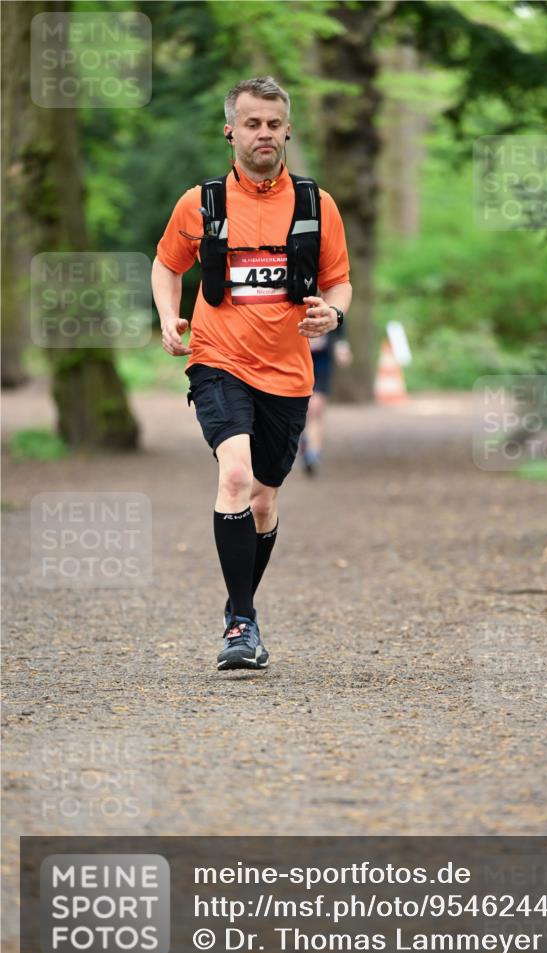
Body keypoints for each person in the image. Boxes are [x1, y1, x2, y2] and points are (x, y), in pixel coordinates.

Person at [152, 76, 351, 670]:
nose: (263, 133)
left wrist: (332, 310)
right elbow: (166, 265)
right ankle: (241, 624)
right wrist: (169, 315)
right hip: (217, 360)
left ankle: (241, 609)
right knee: (234, 476)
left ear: (287, 129)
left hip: (287, 373)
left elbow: (339, 279)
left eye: (273, 123)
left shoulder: (317, 205)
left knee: (264, 500)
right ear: (230, 130)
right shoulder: (200, 203)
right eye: (252, 123)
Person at [299, 322, 352, 475]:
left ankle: (312, 453)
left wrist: (342, 346)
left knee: (316, 408)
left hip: (322, 361)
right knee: (305, 409)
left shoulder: (327, 300)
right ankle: (304, 438)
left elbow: (339, 320)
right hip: (299, 359)